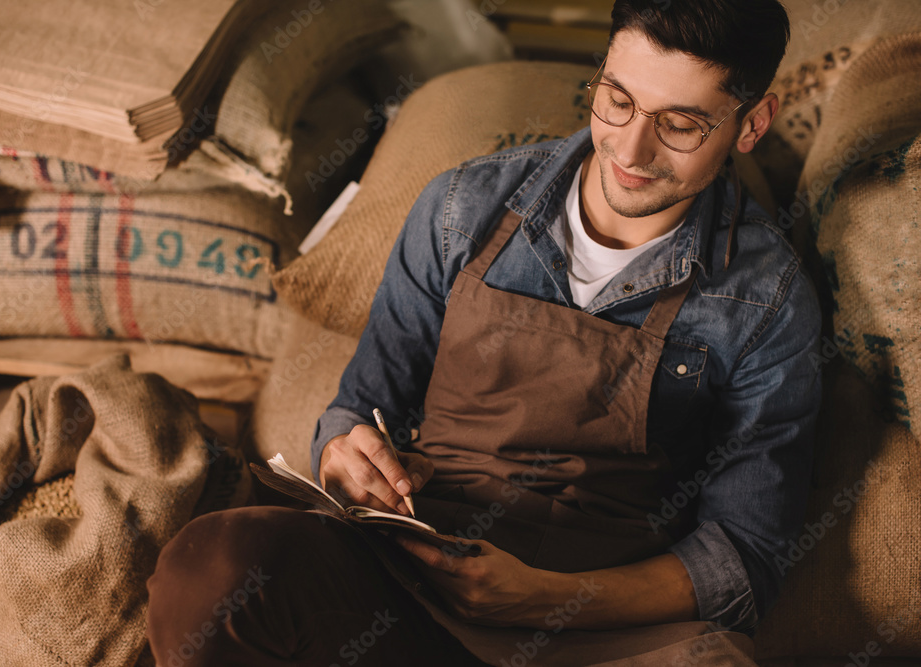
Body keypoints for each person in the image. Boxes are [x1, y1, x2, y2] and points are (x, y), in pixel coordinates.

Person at [146, 0, 821, 664]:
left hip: (599, 625)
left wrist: (544, 598)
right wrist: (349, 457)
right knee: (212, 565)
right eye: (617, 99)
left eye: (679, 125)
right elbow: (358, 408)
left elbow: (743, 559)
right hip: (417, 579)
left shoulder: (767, 300)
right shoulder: (463, 209)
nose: (631, 148)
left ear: (751, 123)